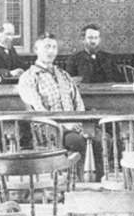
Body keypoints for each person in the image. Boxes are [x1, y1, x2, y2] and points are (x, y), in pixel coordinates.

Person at [17, 32, 102, 179]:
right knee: (80, 141)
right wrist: (66, 125)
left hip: (75, 125)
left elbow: (78, 102)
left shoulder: (63, 74)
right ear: (36, 50)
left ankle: (98, 183)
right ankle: (78, 182)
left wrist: (79, 120)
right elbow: (38, 109)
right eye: (46, 47)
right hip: (51, 130)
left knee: (104, 139)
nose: (50, 51)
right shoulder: (29, 77)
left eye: (54, 47)